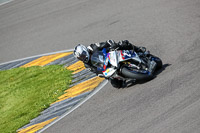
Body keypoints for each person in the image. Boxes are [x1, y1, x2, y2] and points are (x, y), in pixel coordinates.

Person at [73, 40, 148, 88]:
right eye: (80, 58)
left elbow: (107, 43)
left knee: (123, 44)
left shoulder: (93, 47)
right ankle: (127, 74)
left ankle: (138, 49)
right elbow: (96, 71)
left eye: (83, 55)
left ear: (85, 50)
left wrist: (112, 45)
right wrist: (102, 74)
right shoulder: (86, 64)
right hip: (105, 66)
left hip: (109, 54)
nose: (83, 58)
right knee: (116, 85)